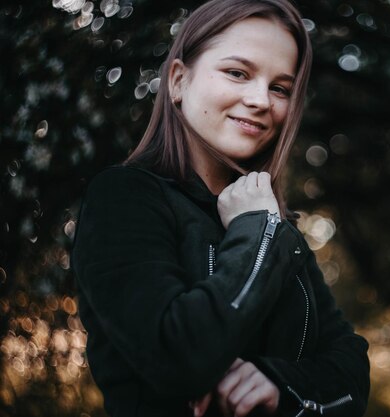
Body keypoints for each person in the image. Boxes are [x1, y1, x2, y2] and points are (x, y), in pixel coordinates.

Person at [71, 1, 370, 416]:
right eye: (237, 73)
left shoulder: (278, 228)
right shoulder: (124, 199)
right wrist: (255, 234)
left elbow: (352, 373)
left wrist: (277, 384)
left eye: (280, 88)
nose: (261, 100)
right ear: (177, 81)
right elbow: (176, 356)